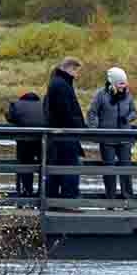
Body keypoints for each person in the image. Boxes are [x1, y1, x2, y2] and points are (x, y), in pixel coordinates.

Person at [91, 65, 137, 198]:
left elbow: (135, 112)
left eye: (124, 84)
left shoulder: (128, 95)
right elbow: (92, 113)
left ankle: (128, 198)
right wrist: (95, 129)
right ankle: (110, 198)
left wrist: (128, 118)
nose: (122, 87)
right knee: (109, 169)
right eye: (120, 84)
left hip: (125, 138)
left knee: (126, 168)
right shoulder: (100, 95)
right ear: (112, 82)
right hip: (107, 139)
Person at [43, 59, 87, 199]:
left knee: (58, 169)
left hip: (60, 135)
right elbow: (65, 111)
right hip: (65, 135)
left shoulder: (57, 82)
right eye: (75, 70)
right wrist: (77, 126)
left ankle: (54, 201)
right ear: (69, 68)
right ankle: (68, 201)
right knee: (70, 168)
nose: (77, 75)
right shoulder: (61, 85)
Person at [6, 87, 48, 199]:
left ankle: (26, 191)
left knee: (25, 165)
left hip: (24, 141)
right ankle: (41, 192)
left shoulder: (16, 104)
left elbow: (10, 118)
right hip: (42, 140)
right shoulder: (44, 105)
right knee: (42, 165)